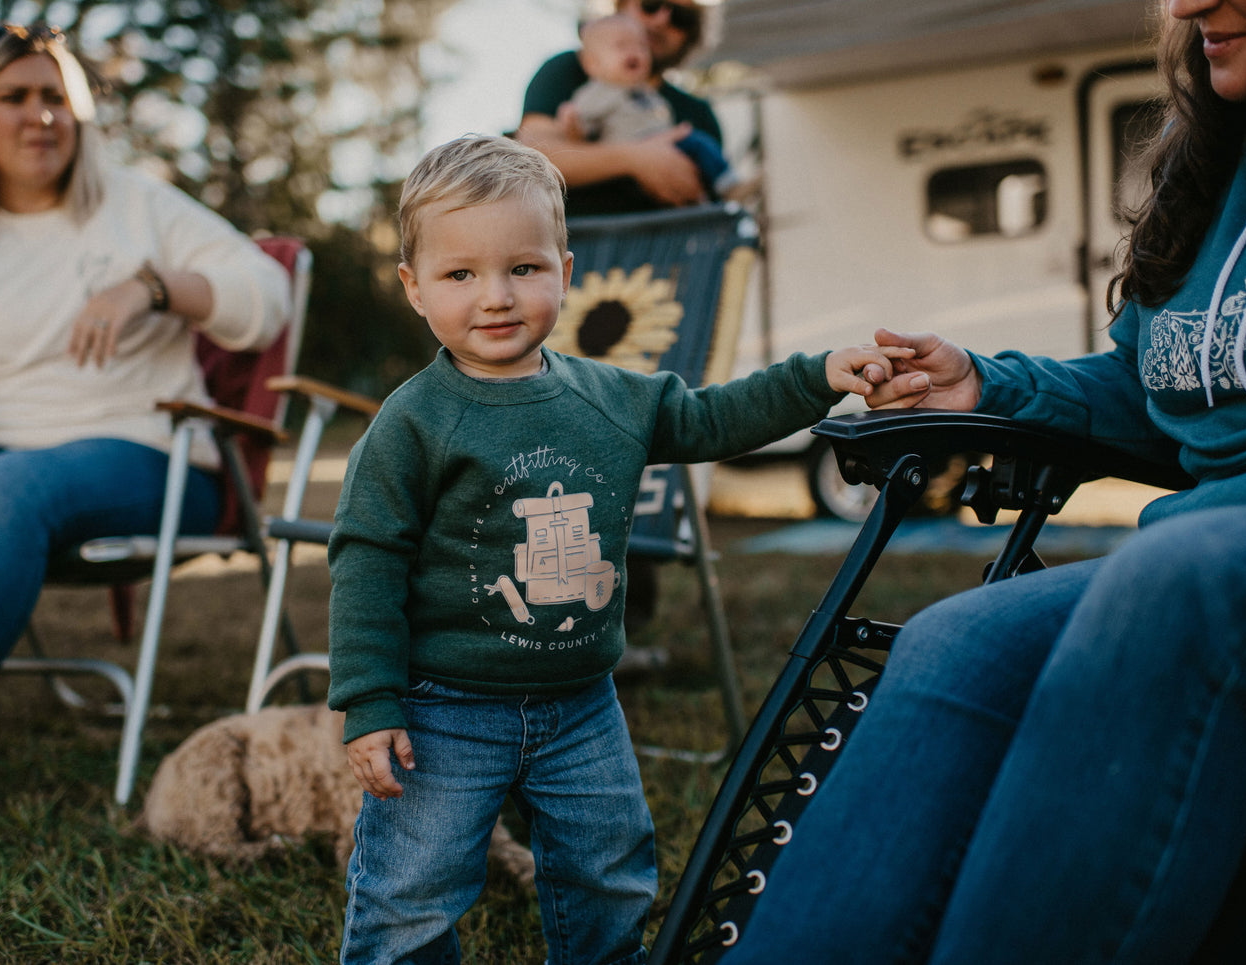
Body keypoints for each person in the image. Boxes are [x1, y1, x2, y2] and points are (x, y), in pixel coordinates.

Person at [721, 0, 1246, 962]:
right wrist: (986, 383)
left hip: (1219, 562)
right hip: (1196, 548)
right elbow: (1150, 391)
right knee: (956, 638)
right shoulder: (1215, 162)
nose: (1187, 5)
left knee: (1173, 578)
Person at [326, 133, 910, 965]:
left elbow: (715, 418)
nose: (495, 297)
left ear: (564, 270)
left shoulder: (611, 399)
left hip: (580, 704)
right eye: (461, 275)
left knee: (607, 868)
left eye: (522, 268)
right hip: (443, 706)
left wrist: (819, 375)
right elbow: (366, 559)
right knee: (410, 886)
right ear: (415, 289)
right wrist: (370, 697)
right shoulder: (413, 423)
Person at [0, 23, 290, 860]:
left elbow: (264, 293)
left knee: (6, 490)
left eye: (57, 97)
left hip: (152, 451)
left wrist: (153, 286)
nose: (40, 116)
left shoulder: (136, 203)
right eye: (15, 97)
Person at [517, 0, 723, 215]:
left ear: (691, 35)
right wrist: (636, 158)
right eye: (651, 5)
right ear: (621, 5)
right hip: (579, 241)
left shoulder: (698, 114)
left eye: (681, 17)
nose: (662, 20)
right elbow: (535, 156)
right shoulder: (568, 70)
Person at [560, 14, 745, 202]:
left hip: (666, 147)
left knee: (697, 152)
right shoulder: (596, 93)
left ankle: (720, 192)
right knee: (697, 144)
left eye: (641, 46)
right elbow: (583, 128)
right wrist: (573, 125)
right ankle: (727, 186)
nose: (633, 52)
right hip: (632, 152)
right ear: (593, 63)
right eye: (621, 46)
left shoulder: (646, 91)